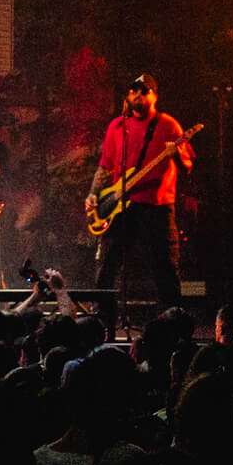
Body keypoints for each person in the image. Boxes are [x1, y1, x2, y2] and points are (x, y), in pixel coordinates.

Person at [85, 74, 191, 328]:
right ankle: (104, 326)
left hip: (157, 206)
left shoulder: (168, 125)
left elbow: (187, 166)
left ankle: (172, 327)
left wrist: (175, 155)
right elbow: (105, 167)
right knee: (106, 268)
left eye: (144, 91)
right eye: (134, 91)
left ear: (154, 96)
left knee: (164, 269)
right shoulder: (117, 126)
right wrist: (92, 194)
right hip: (121, 206)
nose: (138, 95)